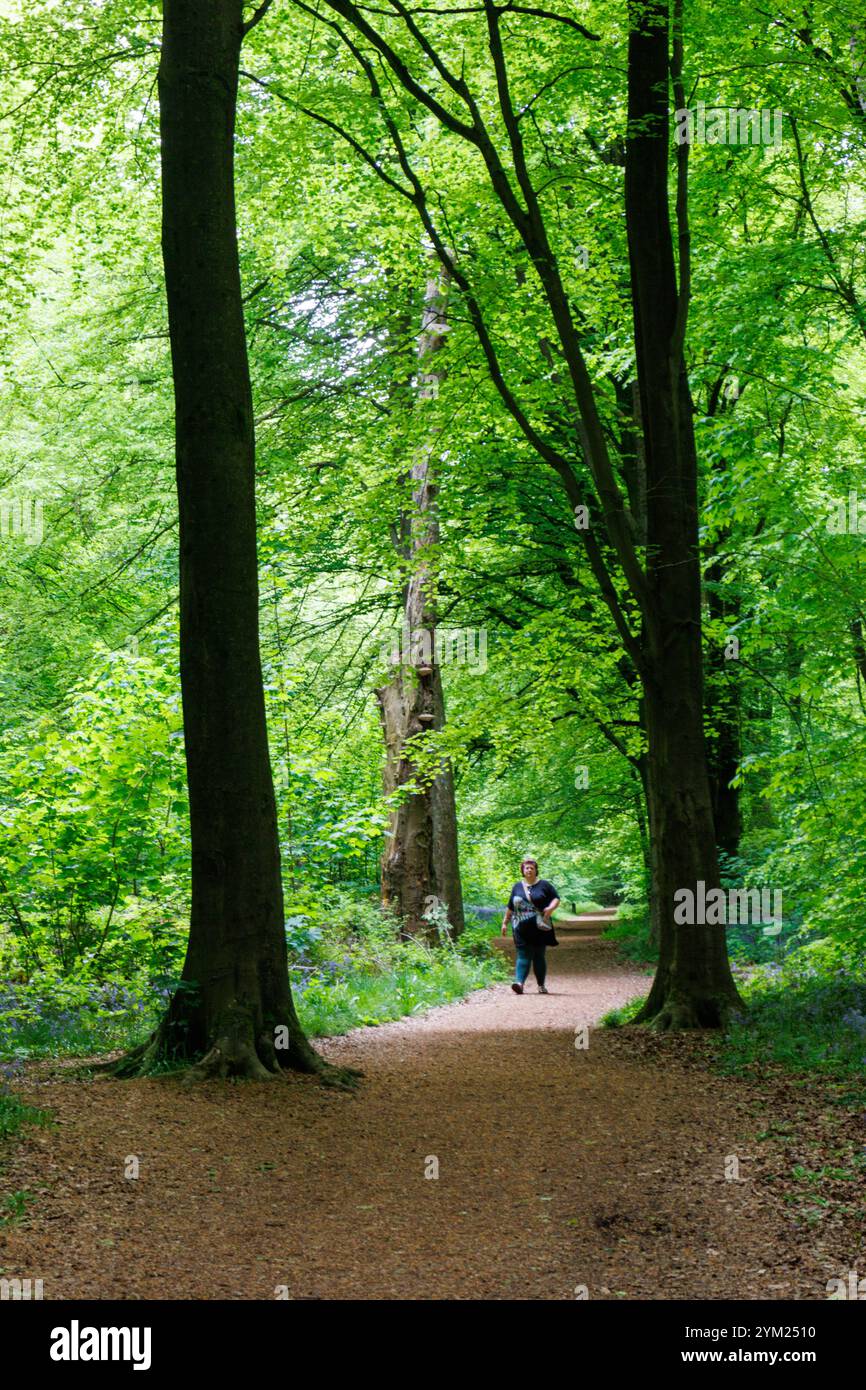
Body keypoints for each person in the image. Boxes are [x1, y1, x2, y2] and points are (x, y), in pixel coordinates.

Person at [501, 857, 560, 994]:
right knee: (523, 954)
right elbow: (510, 906)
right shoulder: (517, 886)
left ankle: (541, 985)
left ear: (535, 870)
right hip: (520, 927)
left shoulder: (545, 885)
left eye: (531, 868)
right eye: (526, 868)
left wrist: (550, 908)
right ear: (522, 870)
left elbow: (556, 898)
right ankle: (519, 983)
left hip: (540, 926)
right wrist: (505, 922)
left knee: (539, 955)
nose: (529, 870)